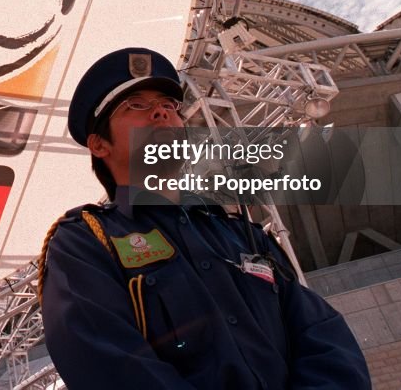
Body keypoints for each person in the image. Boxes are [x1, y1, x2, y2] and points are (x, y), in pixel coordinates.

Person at [38, 47, 371, 389]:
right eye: (136, 105)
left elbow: (322, 336)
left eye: (170, 106)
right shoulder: (85, 242)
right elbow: (110, 363)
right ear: (99, 145)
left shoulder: (245, 235)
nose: (161, 114)